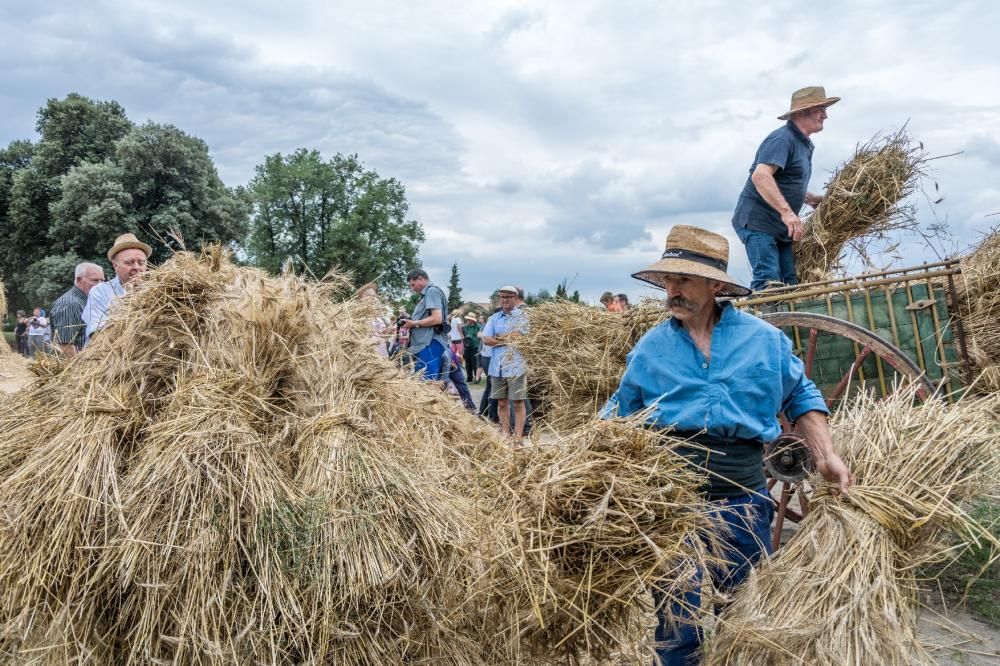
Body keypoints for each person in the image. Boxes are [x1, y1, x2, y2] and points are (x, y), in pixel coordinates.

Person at [603, 224, 852, 665]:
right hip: (671, 501)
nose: (672, 290)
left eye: (684, 280)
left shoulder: (762, 340)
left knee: (745, 611)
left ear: (716, 285)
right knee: (676, 621)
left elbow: (800, 394)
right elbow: (619, 413)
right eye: (668, 280)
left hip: (742, 499)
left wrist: (826, 455)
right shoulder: (651, 347)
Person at [732, 86, 840, 292]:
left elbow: (782, 180)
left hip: (779, 227)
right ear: (800, 113)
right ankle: (756, 321)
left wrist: (809, 198)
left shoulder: (803, 143)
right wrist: (787, 213)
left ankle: (785, 324)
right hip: (759, 222)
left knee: (789, 283)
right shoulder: (782, 139)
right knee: (769, 282)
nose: (825, 115)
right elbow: (761, 175)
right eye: (820, 109)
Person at [482, 285, 530, 443]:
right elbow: (486, 339)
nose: (505, 300)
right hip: (497, 367)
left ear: (515, 298)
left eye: (508, 297)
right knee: (501, 402)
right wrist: (506, 339)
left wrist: (498, 338)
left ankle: (518, 435)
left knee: (518, 402)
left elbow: (519, 337)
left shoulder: (522, 317)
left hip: (516, 366)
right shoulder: (494, 318)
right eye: (502, 297)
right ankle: (505, 433)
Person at [82, 233, 151, 340]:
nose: (137, 267)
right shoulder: (100, 292)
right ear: (115, 266)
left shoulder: (154, 291)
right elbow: (97, 334)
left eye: (141, 263)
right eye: (129, 263)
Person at [400, 269, 450, 381]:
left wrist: (414, 323)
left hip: (430, 343)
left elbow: (437, 318)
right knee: (423, 382)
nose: (412, 289)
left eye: (413, 285)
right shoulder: (426, 295)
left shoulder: (432, 291)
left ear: (420, 279)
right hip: (425, 344)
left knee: (428, 383)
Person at [50, 262, 105, 357]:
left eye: (102, 280)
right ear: (79, 280)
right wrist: (78, 371)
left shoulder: (90, 301)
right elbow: (66, 346)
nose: (100, 285)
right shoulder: (69, 304)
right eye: (95, 280)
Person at [461, 313, 481, 383]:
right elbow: (464, 335)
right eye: (467, 319)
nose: (467, 320)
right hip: (467, 347)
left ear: (472, 320)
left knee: (474, 363)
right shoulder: (466, 327)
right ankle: (469, 377)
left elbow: (480, 336)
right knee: (467, 363)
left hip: (475, 347)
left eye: (468, 319)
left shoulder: (478, 327)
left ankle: (477, 378)